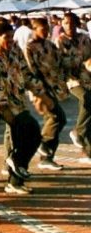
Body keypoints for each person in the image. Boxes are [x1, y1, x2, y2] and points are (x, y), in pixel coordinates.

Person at [0, 19, 52, 195]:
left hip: (19, 101)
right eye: (6, 37)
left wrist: (42, 94)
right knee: (27, 132)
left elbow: (27, 74)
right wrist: (2, 108)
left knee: (30, 137)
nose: (9, 41)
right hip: (4, 105)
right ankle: (14, 176)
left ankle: (16, 173)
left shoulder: (14, 51)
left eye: (11, 37)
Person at [25, 16, 68, 170]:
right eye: (43, 29)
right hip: (40, 91)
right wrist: (40, 92)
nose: (46, 32)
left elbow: (59, 63)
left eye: (48, 29)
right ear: (34, 29)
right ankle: (43, 145)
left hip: (53, 88)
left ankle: (47, 156)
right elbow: (30, 71)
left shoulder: (49, 45)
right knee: (56, 117)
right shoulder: (29, 48)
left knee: (56, 119)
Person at [56, 10, 91, 164]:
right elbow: (59, 63)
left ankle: (88, 150)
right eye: (65, 23)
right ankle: (78, 131)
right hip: (71, 79)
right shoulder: (59, 41)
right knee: (86, 98)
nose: (69, 26)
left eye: (71, 23)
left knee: (90, 109)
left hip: (87, 76)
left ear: (77, 23)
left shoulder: (84, 38)